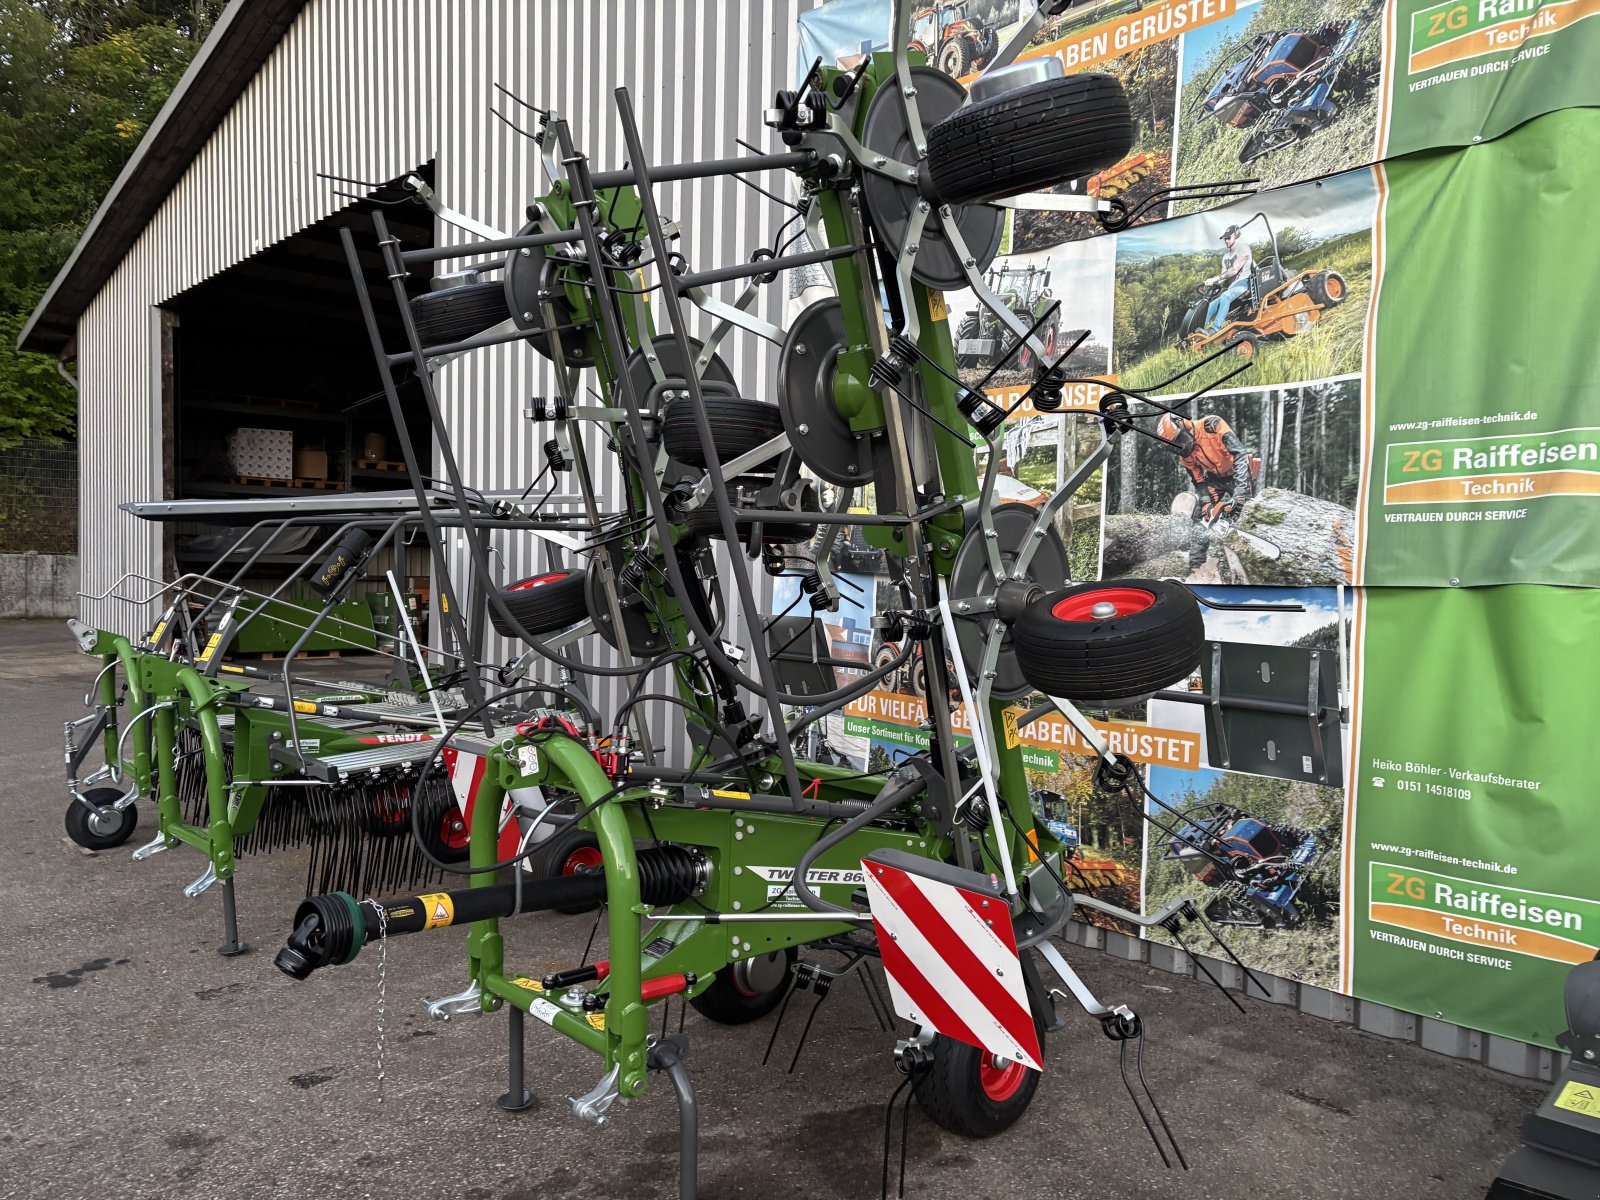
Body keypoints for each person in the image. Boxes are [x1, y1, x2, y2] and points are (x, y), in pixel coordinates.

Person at [1157, 412, 1255, 568]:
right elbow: (1198, 480)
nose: (1182, 447)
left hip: (1237, 474)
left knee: (1244, 514)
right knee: (1201, 518)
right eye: (1176, 446)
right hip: (1214, 479)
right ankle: (1196, 566)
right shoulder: (1186, 456)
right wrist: (1205, 503)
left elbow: (1239, 453)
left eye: (1180, 440)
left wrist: (1241, 488)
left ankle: (1250, 563)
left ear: (1183, 423)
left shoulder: (1212, 425)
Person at [1202, 225, 1254, 335]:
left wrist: (1214, 278)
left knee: (1225, 296)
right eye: (1225, 238)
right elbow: (1223, 277)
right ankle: (1199, 330)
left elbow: (1234, 270)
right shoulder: (1225, 257)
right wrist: (1211, 283)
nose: (1226, 240)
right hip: (1232, 287)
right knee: (1211, 304)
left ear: (1237, 235)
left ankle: (1215, 329)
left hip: (1245, 283)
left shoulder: (1243, 248)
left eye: (1228, 237)